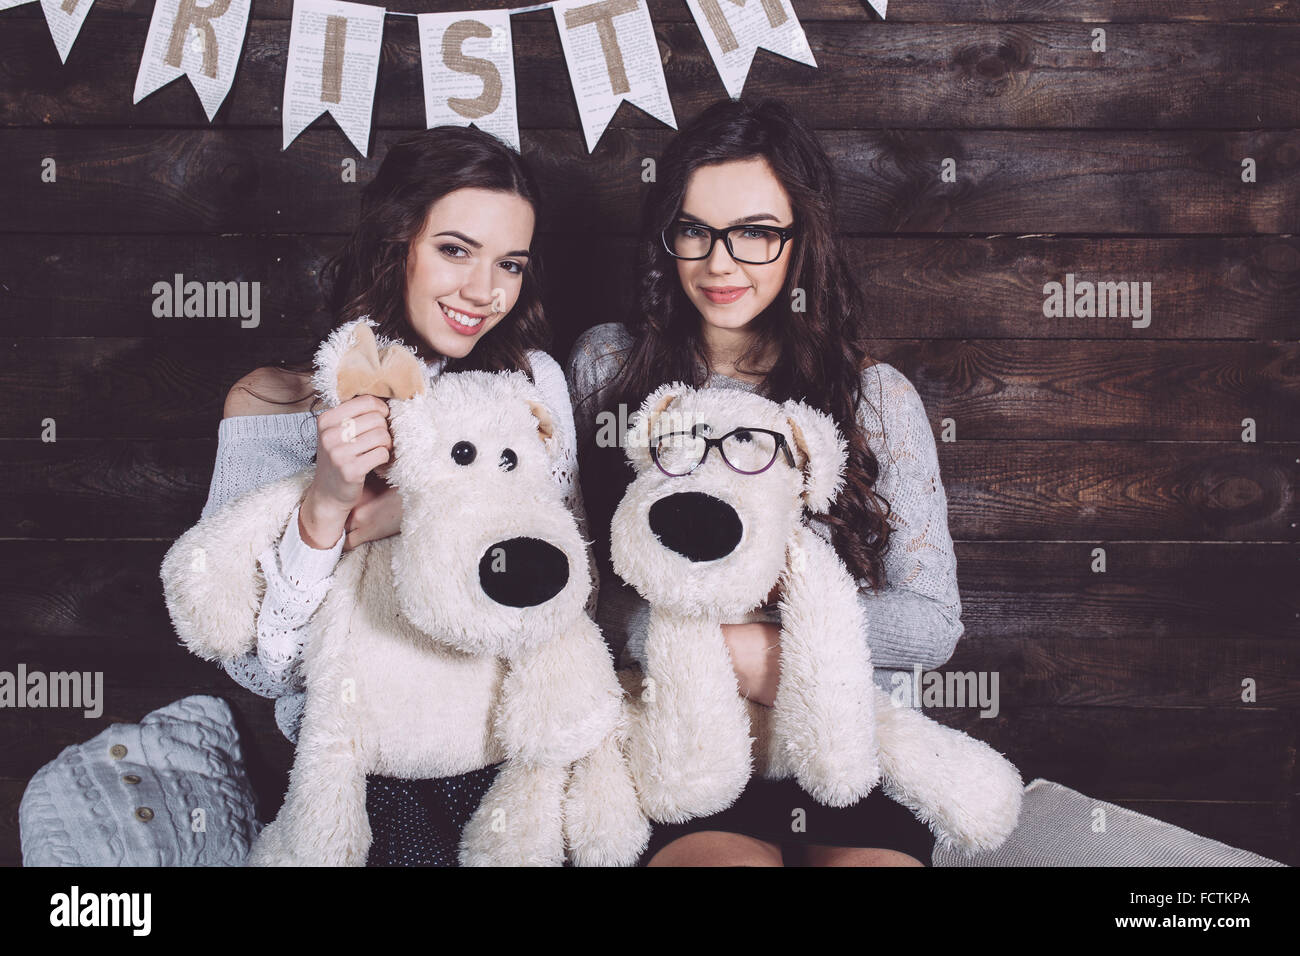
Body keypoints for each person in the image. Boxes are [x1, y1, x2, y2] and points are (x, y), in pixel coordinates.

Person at [566, 96, 964, 867]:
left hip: (847, 741)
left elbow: (930, 626)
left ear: (801, 240)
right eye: (696, 231)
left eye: (755, 233)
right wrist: (708, 651)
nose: (721, 264)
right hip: (683, 739)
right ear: (667, 236)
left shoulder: (874, 397)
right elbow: (582, 597)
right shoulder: (609, 366)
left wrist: (770, 639)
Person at [196, 125, 590, 865]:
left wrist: (406, 509)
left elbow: (569, 594)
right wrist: (326, 504)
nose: (484, 291)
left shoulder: (528, 387)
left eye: (510, 263)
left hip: (510, 749)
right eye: (454, 250)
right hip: (358, 763)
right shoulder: (268, 405)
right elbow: (263, 669)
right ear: (395, 241)